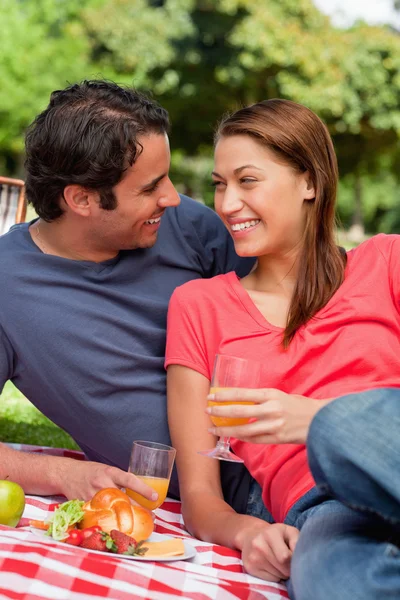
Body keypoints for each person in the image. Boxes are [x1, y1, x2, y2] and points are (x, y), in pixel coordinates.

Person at [165, 98, 400, 598]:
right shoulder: (199, 306)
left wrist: (314, 421)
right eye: (219, 184)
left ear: (310, 182)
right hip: (325, 508)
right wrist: (249, 532)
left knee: (337, 433)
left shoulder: (388, 263)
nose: (227, 204)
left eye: (247, 181)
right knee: (333, 582)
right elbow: (201, 496)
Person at [0, 80, 254, 504]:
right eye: (150, 187)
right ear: (81, 199)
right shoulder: (7, 286)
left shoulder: (187, 226)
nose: (172, 197)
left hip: (288, 459)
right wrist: (59, 472)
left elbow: (292, 309)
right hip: (209, 503)